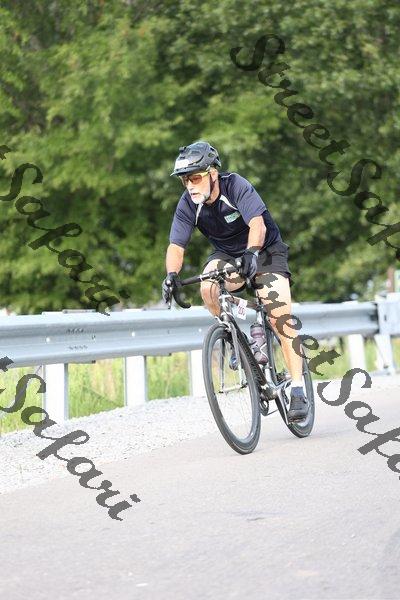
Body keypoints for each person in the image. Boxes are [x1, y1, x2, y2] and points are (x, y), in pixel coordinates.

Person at [162, 141, 309, 422]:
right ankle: (237, 342)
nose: (190, 186)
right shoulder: (188, 204)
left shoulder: (235, 185)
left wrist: (252, 252)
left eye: (195, 178)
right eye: (184, 180)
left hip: (265, 251)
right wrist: (171, 276)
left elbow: (257, 224)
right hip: (228, 255)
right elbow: (176, 246)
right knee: (208, 287)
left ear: (212, 173)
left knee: (279, 316)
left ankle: (298, 389)